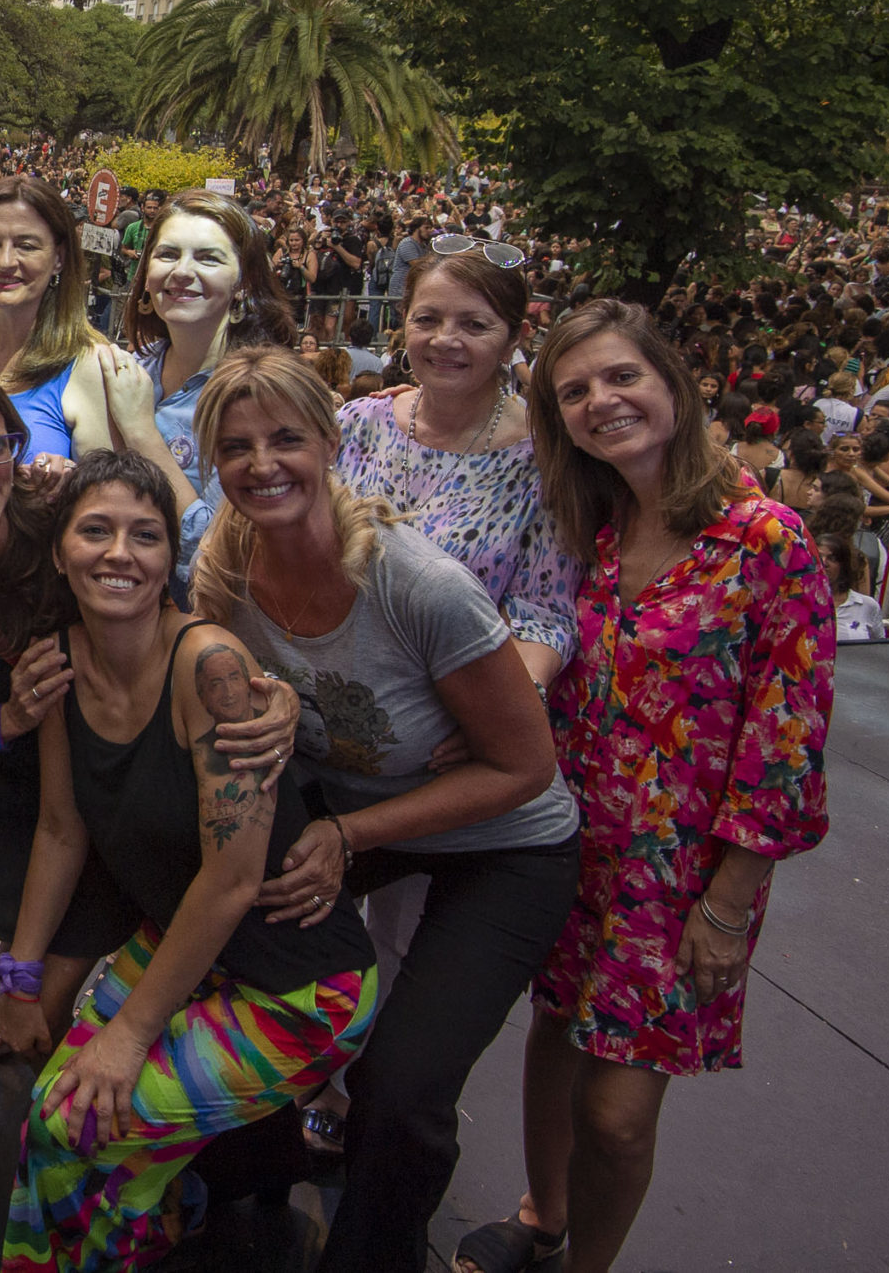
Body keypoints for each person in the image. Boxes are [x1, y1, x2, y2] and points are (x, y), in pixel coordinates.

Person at [171, 349, 579, 1273]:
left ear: (330, 443)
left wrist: (349, 836)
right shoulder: (227, 566)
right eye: (235, 446)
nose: (262, 463)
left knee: (399, 1086)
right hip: (359, 809)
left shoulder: (416, 583)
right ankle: (247, 1183)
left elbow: (525, 767)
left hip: (503, 842)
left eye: (285, 438)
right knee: (234, 970)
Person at [0, 368, 298, 1200]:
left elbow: (181, 598)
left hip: (97, 788)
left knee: (37, 1018)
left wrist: (276, 688)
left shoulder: (59, 517)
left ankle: (57, 1137)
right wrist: (2, 723)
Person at [458, 301, 833, 1273]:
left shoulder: (766, 540)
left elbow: (785, 738)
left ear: (670, 380)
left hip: (681, 880)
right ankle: (543, 1215)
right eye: (574, 390)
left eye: (619, 376)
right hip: (561, 845)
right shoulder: (586, 533)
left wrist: (728, 903)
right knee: (551, 1034)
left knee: (618, 1113)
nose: (600, 400)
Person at [0, 450, 380, 1272]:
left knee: (73, 1124)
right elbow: (62, 829)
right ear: (61, 550)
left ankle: (128, 1229)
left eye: (146, 534)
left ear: (172, 555)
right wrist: (18, 974)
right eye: (95, 530)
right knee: (61, 1120)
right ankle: (150, 1217)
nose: (119, 553)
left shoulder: (210, 667)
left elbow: (234, 877)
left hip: (300, 987)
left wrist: (128, 1035)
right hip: (191, 954)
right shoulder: (62, 658)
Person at [333, 249, 579, 1019]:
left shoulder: (544, 457)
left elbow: (546, 611)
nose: (447, 339)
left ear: (511, 338)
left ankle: (356, 1098)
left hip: (446, 734)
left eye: (474, 324)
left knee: (400, 934)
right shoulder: (357, 424)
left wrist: (504, 708)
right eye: (429, 318)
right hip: (330, 710)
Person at [113, 189, 297, 591]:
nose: (182, 271)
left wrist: (141, 432)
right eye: (167, 254)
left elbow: (215, 552)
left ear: (243, 282)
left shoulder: (264, 397)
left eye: (208, 258)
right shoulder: (129, 371)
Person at [0, 177, 115, 458]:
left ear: (59, 258)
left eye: (26, 246)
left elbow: (104, 494)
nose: (5, 262)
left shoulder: (91, 367)